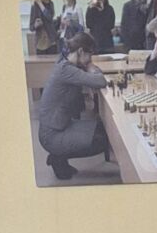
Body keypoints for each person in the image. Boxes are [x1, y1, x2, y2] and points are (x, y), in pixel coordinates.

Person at [38, 37, 115, 184]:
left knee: (104, 130)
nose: (90, 59)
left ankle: (59, 155)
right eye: (89, 55)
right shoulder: (66, 70)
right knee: (103, 141)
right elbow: (100, 81)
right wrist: (90, 66)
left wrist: (88, 67)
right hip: (52, 135)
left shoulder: (64, 62)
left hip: (60, 126)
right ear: (80, 51)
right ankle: (57, 156)